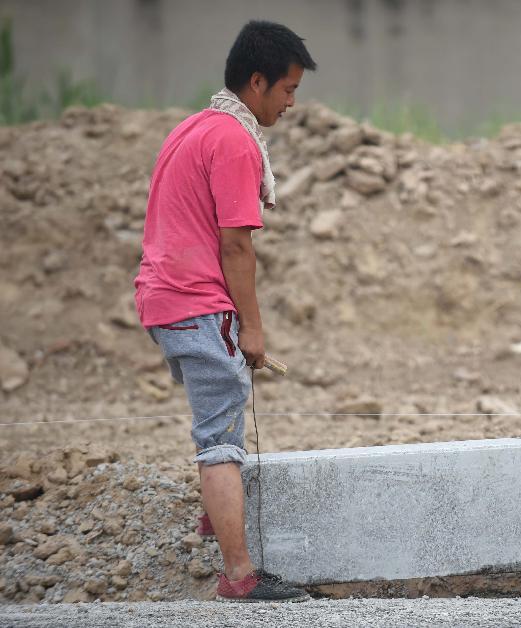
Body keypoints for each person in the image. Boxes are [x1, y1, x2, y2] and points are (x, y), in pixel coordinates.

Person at [134, 20, 316, 602]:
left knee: (221, 425)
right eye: (287, 90)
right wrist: (253, 330)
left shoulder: (194, 126)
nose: (291, 103)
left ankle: (219, 520)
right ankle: (239, 577)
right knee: (219, 440)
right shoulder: (235, 141)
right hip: (196, 302)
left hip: (166, 298)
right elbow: (235, 244)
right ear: (257, 82)